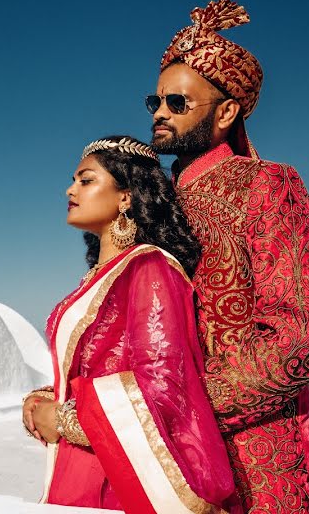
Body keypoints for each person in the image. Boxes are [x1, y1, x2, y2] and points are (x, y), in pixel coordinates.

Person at [149, 0, 309, 513]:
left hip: (256, 458)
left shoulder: (267, 186)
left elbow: (306, 331)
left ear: (226, 111)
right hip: (157, 458)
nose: (160, 113)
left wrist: (182, 410)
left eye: (178, 102)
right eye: (156, 101)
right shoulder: (149, 209)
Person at [23, 135, 241, 513]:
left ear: (126, 197)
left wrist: (62, 418)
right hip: (83, 466)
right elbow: (99, 365)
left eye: (86, 180)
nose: (70, 189)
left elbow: (162, 387)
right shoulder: (100, 276)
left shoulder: (150, 267)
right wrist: (47, 397)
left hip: (122, 480)